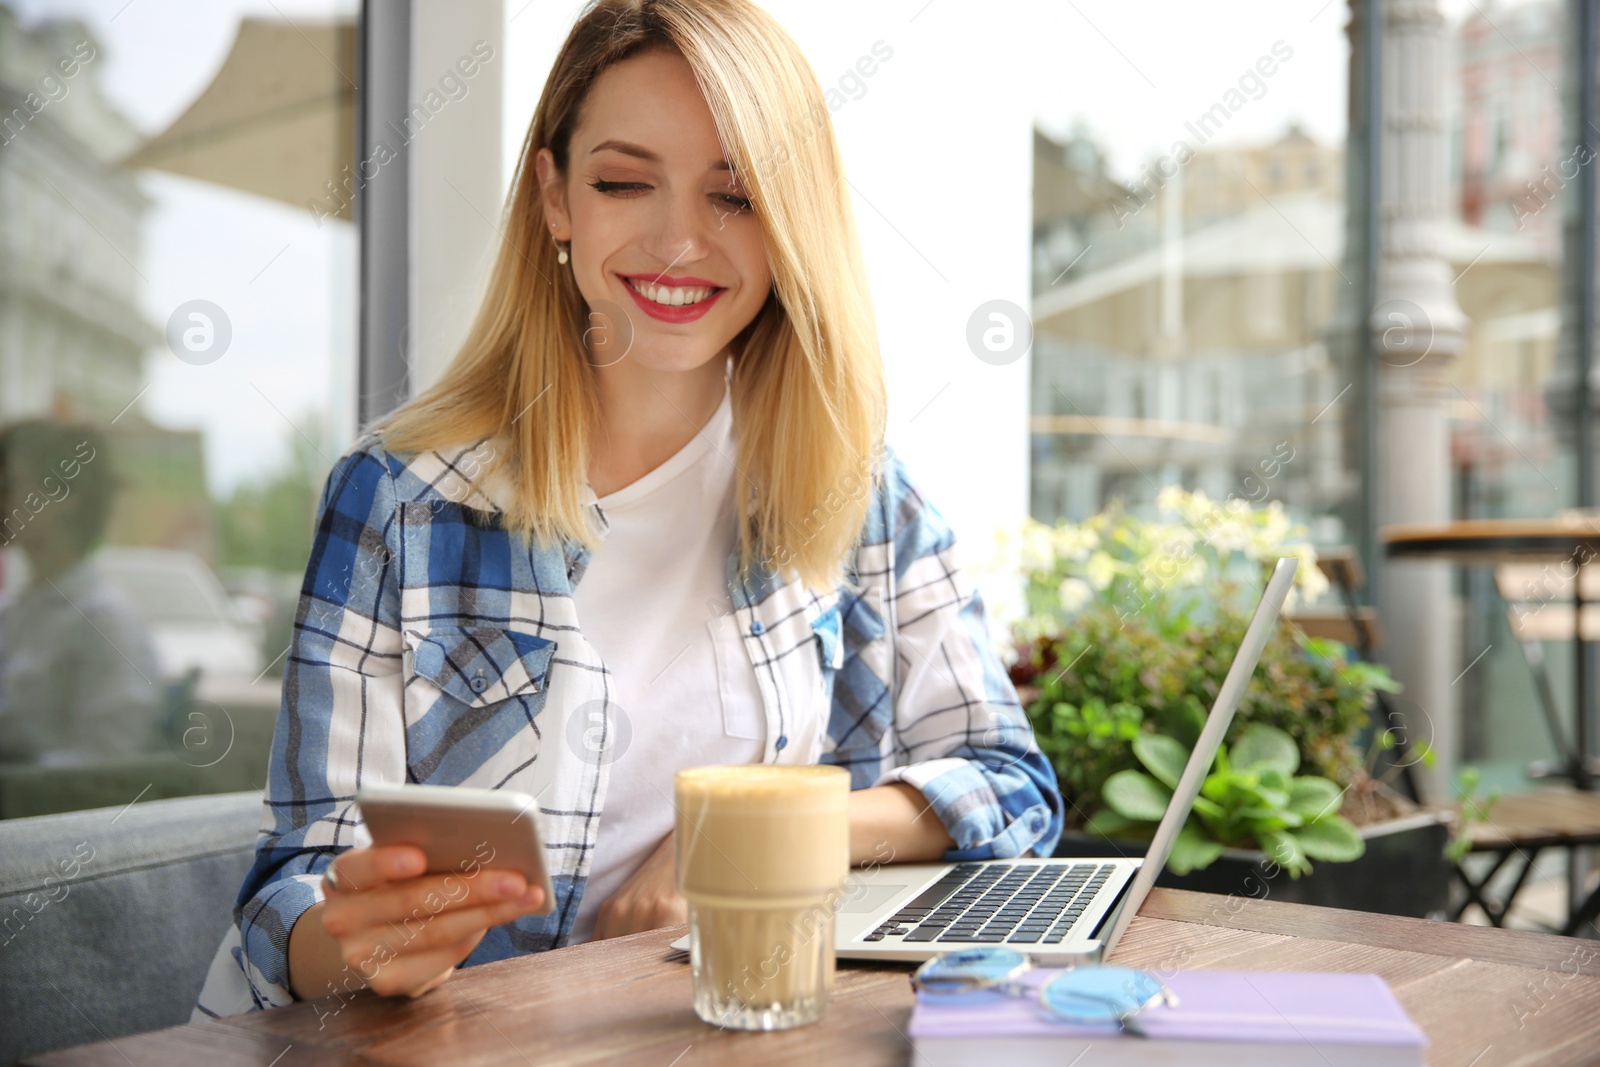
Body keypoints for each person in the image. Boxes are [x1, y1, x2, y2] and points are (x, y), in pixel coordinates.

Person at [193, 0, 1063, 1018]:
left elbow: (1010, 784)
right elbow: (290, 885)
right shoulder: (399, 495)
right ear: (555, 197)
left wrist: (737, 829)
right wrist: (347, 940)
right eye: (622, 181)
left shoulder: (859, 493)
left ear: (793, 224)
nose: (679, 240)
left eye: (734, 195)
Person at [0, 419, 162, 764]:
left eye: (10, 484)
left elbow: (108, 764)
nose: (4, 499)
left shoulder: (105, 623)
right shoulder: (14, 612)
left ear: (63, 497)